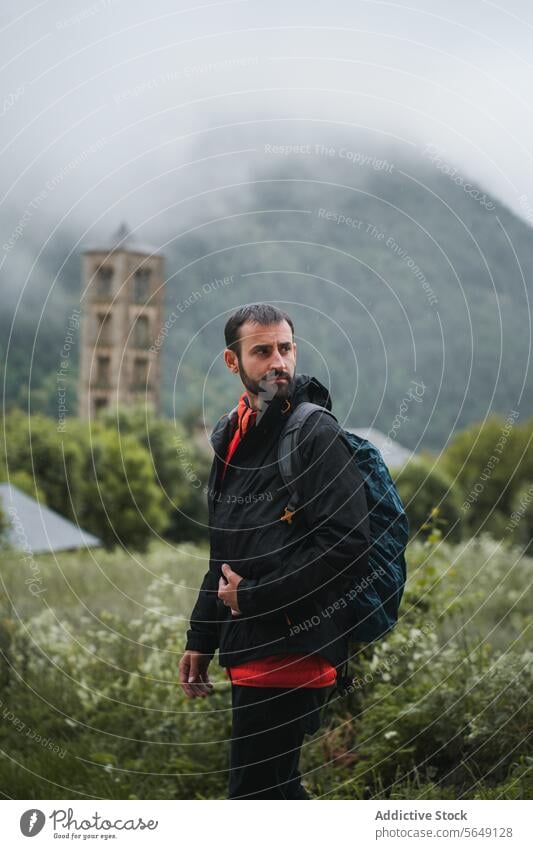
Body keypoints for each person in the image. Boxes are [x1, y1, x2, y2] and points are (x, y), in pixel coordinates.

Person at [179, 303, 370, 799]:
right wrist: (202, 637)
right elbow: (224, 547)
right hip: (248, 646)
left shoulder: (314, 432)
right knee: (273, 792)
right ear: (232, 361)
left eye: (285, 348)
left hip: (295, 646)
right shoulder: (229, 434)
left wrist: (257, 598)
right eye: (262, 351)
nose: (278, 362)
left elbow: (349, 544)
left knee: (254, 796)